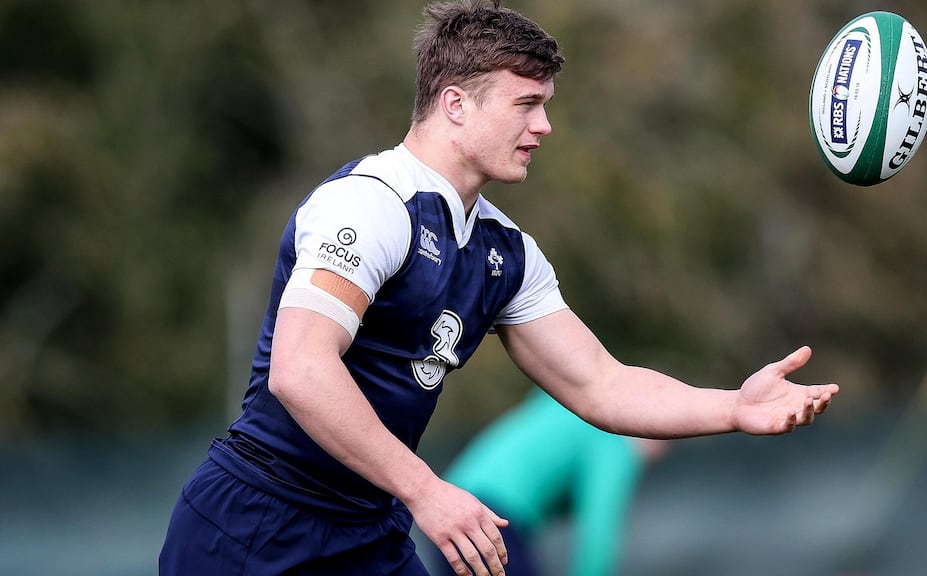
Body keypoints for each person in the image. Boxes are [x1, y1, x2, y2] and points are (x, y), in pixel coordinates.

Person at [159, 1, 839, 575]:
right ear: (455, 104)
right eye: (527, 104)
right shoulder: (370, 206)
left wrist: (734, 407)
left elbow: (601, 384)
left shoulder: (505, 253)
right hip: (255, 523)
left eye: (545, 105)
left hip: (368, 532)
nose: (544, 126)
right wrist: (426, 491)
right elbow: (301, 370)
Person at [431, 389, 673, 576]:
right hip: (493, 518)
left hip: (450, 505)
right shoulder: (616, 441)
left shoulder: (570, 403)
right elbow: (598, 539)